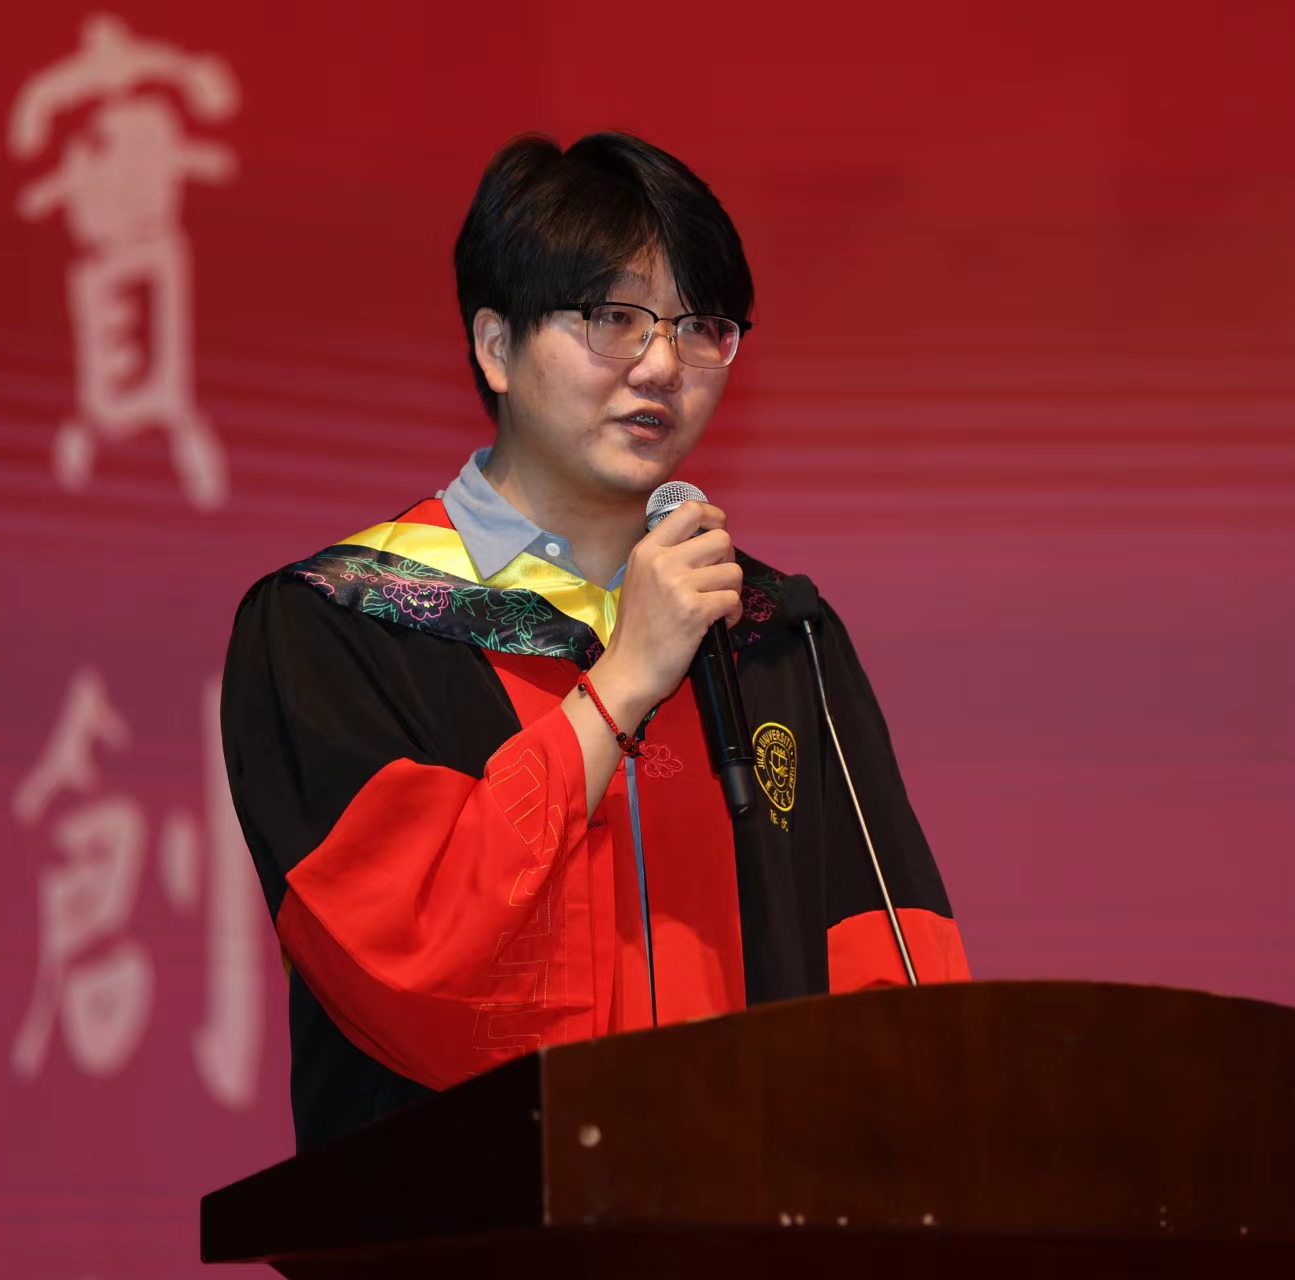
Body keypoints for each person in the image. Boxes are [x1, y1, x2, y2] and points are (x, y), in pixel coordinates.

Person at [222, 132, 970, 1151]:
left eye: (700, 326)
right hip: (477, 1210)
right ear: (496, 346)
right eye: (613, 318)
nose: (662, 364)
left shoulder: (774, 633)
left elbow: (894, 974)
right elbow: (402, 957)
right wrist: (620, 686)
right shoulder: (337, 626)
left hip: (746, 1210)